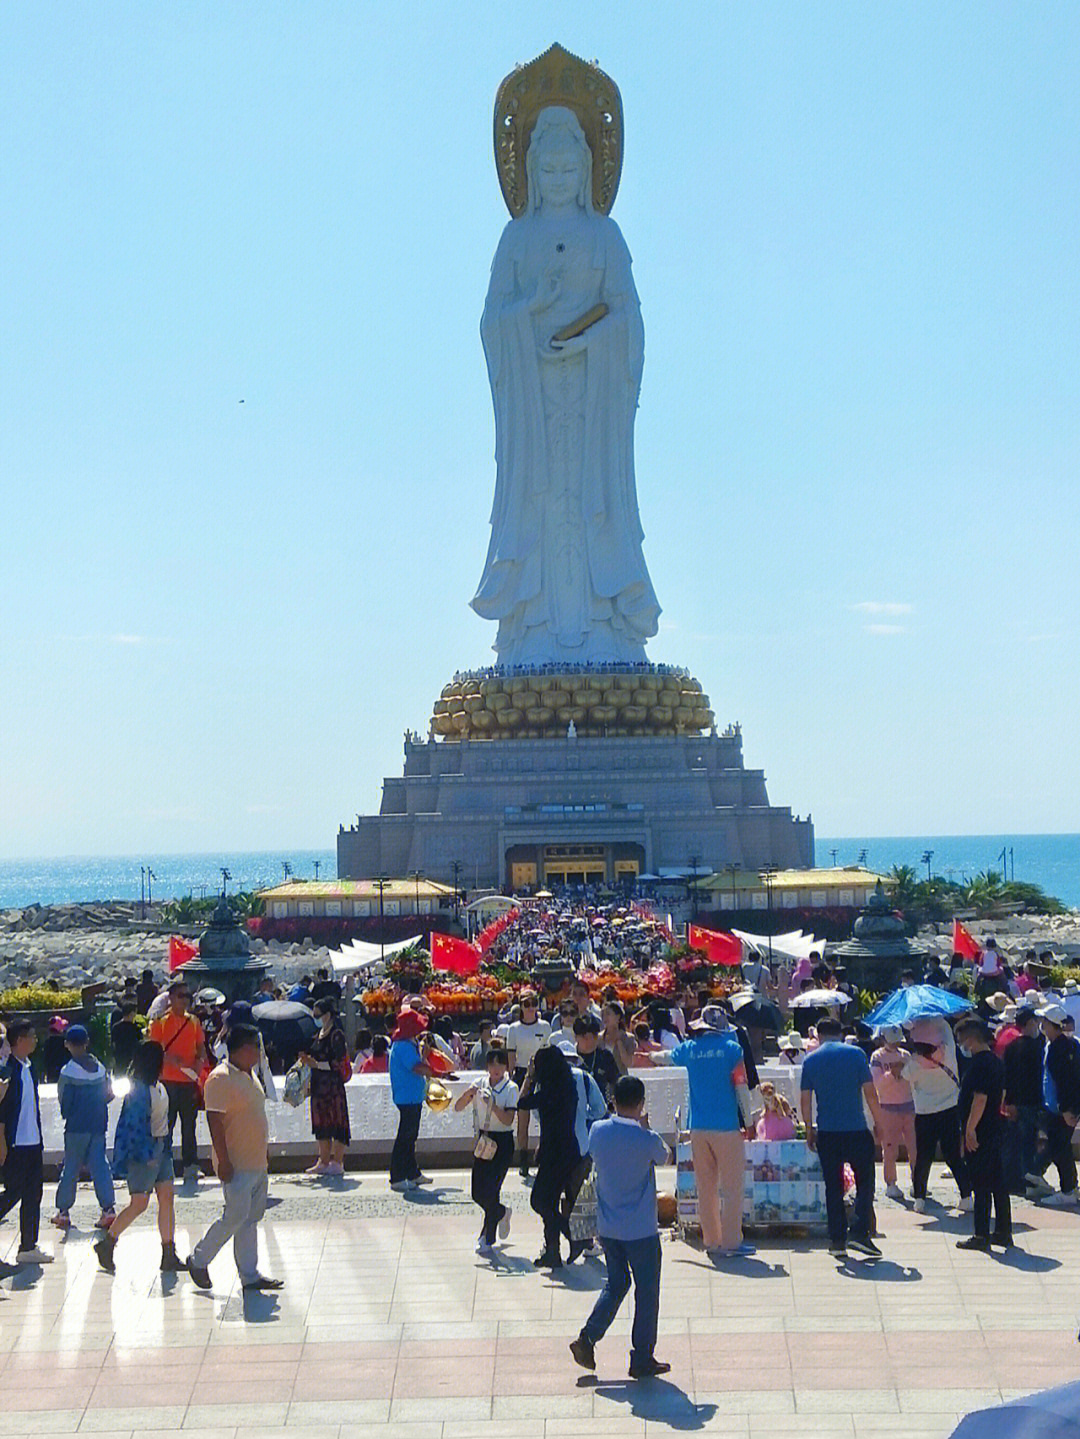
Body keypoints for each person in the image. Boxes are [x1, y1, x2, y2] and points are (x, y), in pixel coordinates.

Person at [472, 104, 660, 665]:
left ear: (584, 172)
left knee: (592, 503)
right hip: (533, 409)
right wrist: (529, 311)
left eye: (567, 172)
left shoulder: (605, 235)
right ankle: (533, 631)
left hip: (593, 407)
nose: (557, 183)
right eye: (547, 173)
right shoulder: (516, 238)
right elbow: (491, 322)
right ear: (531, 174)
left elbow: (630, 317)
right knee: (540, 502)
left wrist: (593, 339)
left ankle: (607, 625)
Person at [570, 1075, 671, 1379]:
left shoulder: (598, 1132)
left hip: (608, 1228)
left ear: (612, 1100)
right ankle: (641, 1357)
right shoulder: (646, 1139)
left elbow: (592, 1153)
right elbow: (665, 1156)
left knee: (616, 1284)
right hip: (641, 1230)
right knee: (647, 1291)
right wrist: (646, 1126)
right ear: (641, 1105)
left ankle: (588, 1338)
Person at [188, 1025, 281, 1292]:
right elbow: (214, 1121)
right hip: (237, 1162)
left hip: (256, 1160)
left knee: (250, 1219)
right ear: (243, 1048)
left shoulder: (249, 1074)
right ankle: (199, 1259)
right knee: (234, 1217)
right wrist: (223, 1160)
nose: (260, 1053)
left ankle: (249, 1275)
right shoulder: (220, 1078)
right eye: (256, 1046)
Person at [667, 1005, 755, 1260]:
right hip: (726, 1127)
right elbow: (741, 1089)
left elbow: (666, 1056)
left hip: (698, 1128)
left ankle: (712, 1241)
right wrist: (748, 1122)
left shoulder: (690, 1049)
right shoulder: (732, 1050)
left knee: (705, 1186)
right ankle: (731, 1242)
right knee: (732, 1187)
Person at [95, 1040, 183, 1274]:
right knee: (139, 1203)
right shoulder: (139, 1090)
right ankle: (108, 1242)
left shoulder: (157, 1086)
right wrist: (147, 1155)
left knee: (166, 1199)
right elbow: (134, 1128)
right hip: (146, 1153)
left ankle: (168, 1252)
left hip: (161, 1148)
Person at [800, 1014, 884, 1259]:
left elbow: (806, 1099)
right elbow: (870, 1093)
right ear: (840, 1032)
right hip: (856, 1128)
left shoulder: (811, 1059)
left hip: (827, 1132)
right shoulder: (856, 1054)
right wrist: (878, 1122)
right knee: (865, 1182)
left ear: (818, 1034)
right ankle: (859, 1231)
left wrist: (809, 1128)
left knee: (833, 1187)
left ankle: (837, 1239)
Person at [517, 1043, 587, 1268]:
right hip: (566, 1151)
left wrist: (528, 1077)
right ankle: (552, 1252)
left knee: (539, 1201)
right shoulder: (567, 1085)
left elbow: (521, 1102)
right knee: (549, 1203)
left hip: (556, 1154)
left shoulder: (550, 1091)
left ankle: (573, 1236)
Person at [454, 1046, 519, 1254]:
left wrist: (492, 1105)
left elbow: (509, 1119)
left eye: (500, 1064)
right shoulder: (481, 1083)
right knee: (477, 1191)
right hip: (484, 1140)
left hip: (502, 1141)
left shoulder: (510, 1088)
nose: (496, 1069)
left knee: (492, 1189)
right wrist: (469, 1094)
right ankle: (501, 1212)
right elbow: (458, 1106)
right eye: (492, 1064)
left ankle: (487, 1236)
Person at [954, 1017, 1011, 1250]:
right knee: (998, 1182)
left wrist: (969, 1129)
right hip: (995, 1126)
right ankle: (1003, 1231)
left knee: (980, 1183)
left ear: (969, 1038)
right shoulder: (996, 1061)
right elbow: (1003, 1093)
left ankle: (981, 1234)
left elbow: (980, 1098)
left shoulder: (979, 1064)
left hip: (982, 1129)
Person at [903, 1020, 972, 1213]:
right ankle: (966, 1196)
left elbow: (904, 1076)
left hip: (924, 1113)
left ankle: (919, 1198)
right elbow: (946, 1032)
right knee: (953, 1156)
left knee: (923, 1157)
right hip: (950, 1109)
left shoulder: (913, 1065)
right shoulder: (948, 1053)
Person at [52, 1024, 115, 1232]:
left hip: (76, 1127)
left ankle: (63, 1212)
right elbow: (109, 1095)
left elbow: (64, 1101)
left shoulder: (68, 1071)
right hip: (98, 1125)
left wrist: (68, 1115)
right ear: (87, 1042)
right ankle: (108, 1209)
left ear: (67, 1045)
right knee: (100, 1165)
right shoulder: (100, 1067)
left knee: (71, 1167)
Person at [0, 1020, 51, 1264]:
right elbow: (3, 1110)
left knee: (33, 1194)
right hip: (15, 1144)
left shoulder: (30, 1068)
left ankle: (28, 1246)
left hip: (33, 1142)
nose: (35, 1039)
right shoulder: (8, 1070)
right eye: (32, 1036)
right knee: (13, 1191)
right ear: (19, 1040)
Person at [147, 980, 207, 1181]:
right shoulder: (160, 1023)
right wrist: (169, 1059)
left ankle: (191, 1165)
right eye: (181, 996)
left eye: (187, 996)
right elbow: (153, 1051)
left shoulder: (194, 1022)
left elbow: (200, 1046)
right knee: (166, 1126)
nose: (185, 1000)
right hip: (168, 1081)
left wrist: (199, 1062)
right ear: (171, 998)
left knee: (189, 1126)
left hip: (188, 1080)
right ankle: (165, 1165)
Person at [1028, 1003, 1080, 1207]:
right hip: (1058, 1107)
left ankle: (1067, 1190)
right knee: (1060, 1147)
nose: (1042, 1025)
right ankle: (1070, 1186)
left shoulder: (1060, 1049)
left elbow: (1067, 1081)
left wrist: (1067, 1109)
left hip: (1060, 1109)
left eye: (1044, 1022)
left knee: (1060, 1148)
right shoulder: (1067, 1044)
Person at [299, 999, 350, 1176]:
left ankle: (337, 1161)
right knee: (321, 1123)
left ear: (327, 1015)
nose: (316, 1018)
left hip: (333, 1085)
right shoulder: (318, 1033)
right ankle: (324, 1159)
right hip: (318, 1085)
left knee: (337, 1121)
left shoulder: (336, 1034)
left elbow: (338, 1061)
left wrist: (317, 1064)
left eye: (318, 1015)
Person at [388, 1009, 437, 1191]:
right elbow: (416, 1067)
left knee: (410, 1136)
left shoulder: (407, 1043)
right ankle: (397, 1176)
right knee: (405, 1137)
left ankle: (412, 1172)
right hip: (407, 1097)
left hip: (411, 1096)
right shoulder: (403, 1046)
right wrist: (437, 1072)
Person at [505, 991, 551, 1176]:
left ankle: (543, 1155)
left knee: (545, 1118)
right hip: (523, 1073)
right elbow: (511, 1055)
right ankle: (523, 1159)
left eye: (534, 1003)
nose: (531, 1008)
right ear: (521, 1007)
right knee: (522, 1120)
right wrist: (510, 1076)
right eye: (527, 1004)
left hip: (543, 1073)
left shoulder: (545, 1026)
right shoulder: (514, 1029)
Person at [870, 1025, 917, 1201]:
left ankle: (917, 1181)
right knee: (889, 1148)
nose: (895, 1043)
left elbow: (914, 1076)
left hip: (909, 1104)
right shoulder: (877, 1057)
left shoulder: (906, 1055)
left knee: (914, 1147)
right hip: (887, 1106)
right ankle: (891, 1183)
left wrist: (904, 1071)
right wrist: (892, 1073)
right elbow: (877, 1082)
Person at [1001, 1006, 1044, 1195]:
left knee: (1021, 1141)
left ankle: (1020, 1181)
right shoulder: (1040, 1045)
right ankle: (1029, 1179)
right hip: (1033, 1101)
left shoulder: (1012, 1047)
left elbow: (1007, 1077)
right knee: (1028, 1142)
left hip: (1019, 1101)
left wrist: (1008, 1101)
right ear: (1031, 1022)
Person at [574, 1014, 620, 1105]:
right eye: (585, 1037)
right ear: (576, 1037)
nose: (590, 1041)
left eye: (594, 1036)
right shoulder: (570, 1057)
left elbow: (616, 1082)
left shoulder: (605, 1057)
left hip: (600, 1108)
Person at [599, 1000, 636, 1075]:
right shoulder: (599, 1038)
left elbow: (628, 1063)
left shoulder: (628, 1038)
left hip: (621, 1079)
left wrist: (619, 1042)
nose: (605, 1017)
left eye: (608, 1014)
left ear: (618, 1016)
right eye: (603, 1014)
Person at [110, 1001, 142, 1075]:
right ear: (131, 1013)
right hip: (132, 1061)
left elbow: (113, 1044)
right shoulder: (136, 1029)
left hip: (119, 1061)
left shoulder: (116, 1027)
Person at [42, 1016, 71, 1084]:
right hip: (64, 1073)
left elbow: (45, 1059)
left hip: (51, 1074)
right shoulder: (65, 1042)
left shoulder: (47, 1043)